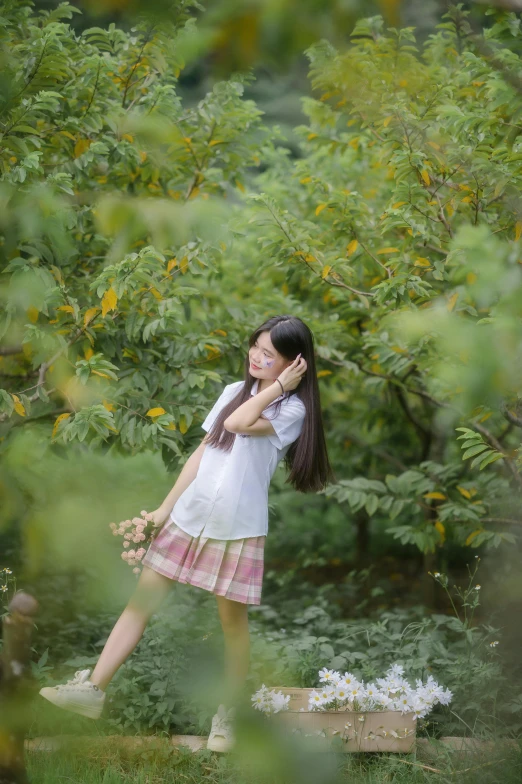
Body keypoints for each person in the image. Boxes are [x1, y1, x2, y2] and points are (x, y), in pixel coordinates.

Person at [39, 314, 335, 752]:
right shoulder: (232, 392)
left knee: (232, 625)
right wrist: (164, 508)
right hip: (190, 516)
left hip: (237, 528)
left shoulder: (291, 409)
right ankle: (92, 690)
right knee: (141, 603)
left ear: (296, 365)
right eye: (255, 346)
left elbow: (237, 425)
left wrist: (279, 389)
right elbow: (204, 451)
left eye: (269, 354)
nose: (256, 356)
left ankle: (228, 716)